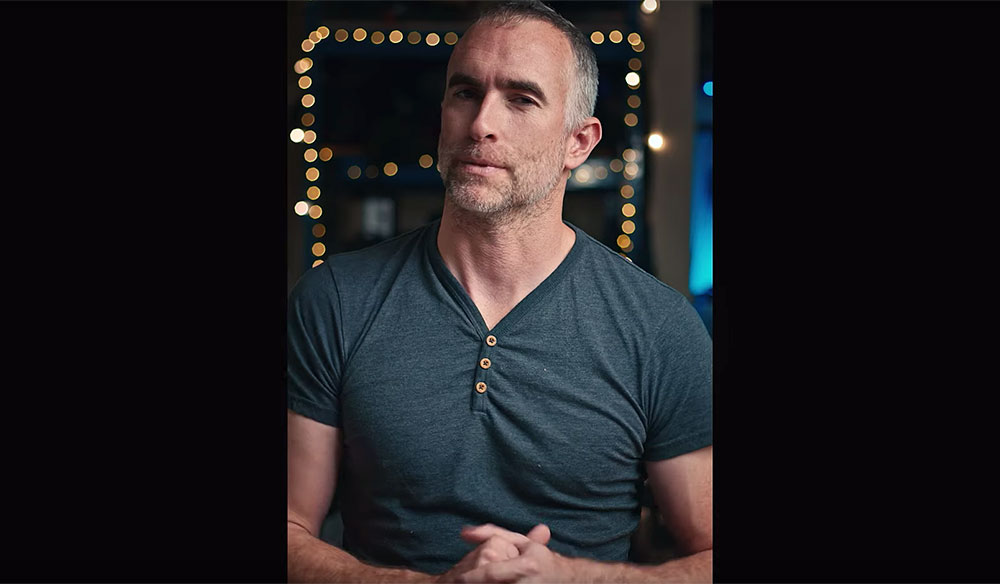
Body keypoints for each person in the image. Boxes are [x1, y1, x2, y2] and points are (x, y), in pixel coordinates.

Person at [286, 1, 713, 581]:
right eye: (465, 93)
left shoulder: (659, 327)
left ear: (579, 142)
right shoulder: (336, 299)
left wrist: (576, 577)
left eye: (521, 99)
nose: (481, 122)